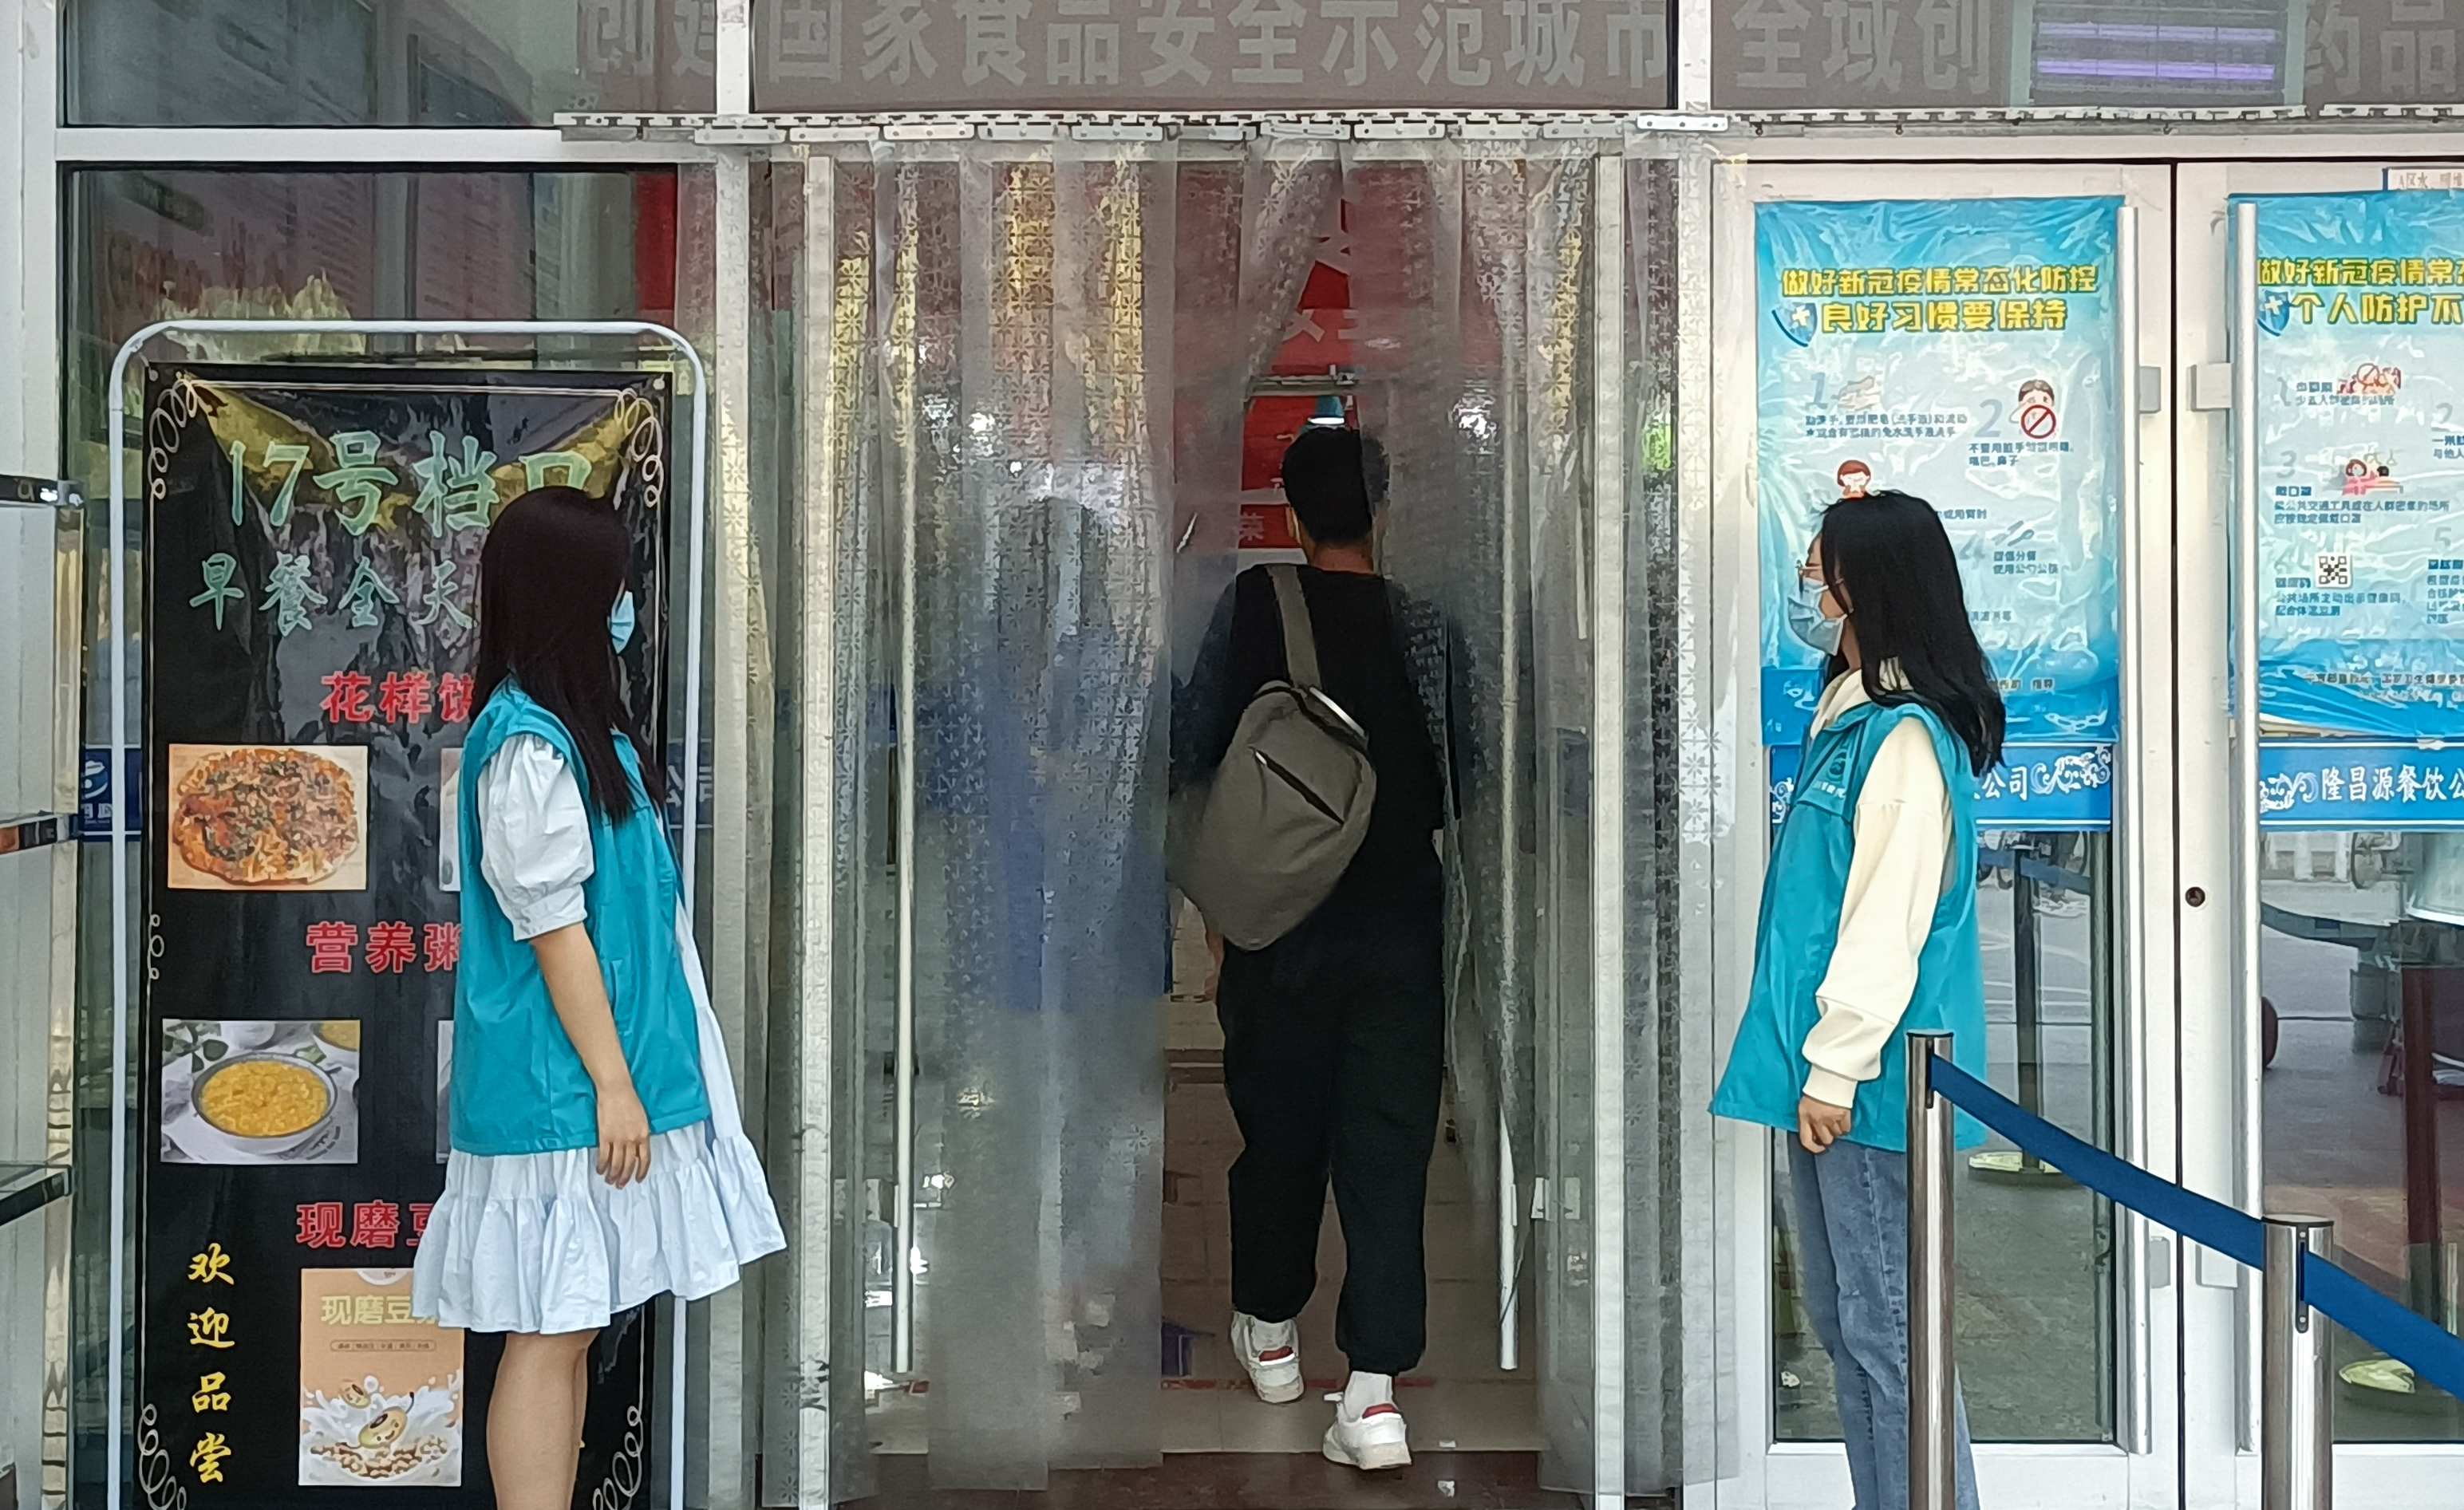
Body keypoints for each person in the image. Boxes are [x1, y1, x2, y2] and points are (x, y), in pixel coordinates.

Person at [410, 487, 784, 1510]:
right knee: (551, 1327)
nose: (629, 605)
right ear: (575, 599)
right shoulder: (530, 746)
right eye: (616, 586)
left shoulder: (580, 734)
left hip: (600, 1078)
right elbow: (553, 931)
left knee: (571, 1321)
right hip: (561, 1089)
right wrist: (614, 1085)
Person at [1172, 427, 1457, 1473]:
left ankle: (1272, 1333)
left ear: (1291, 517)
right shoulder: (1426, 628)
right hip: (1399, 927)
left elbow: (1196, 750)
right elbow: (1465, 779)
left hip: (1279, 928)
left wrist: (1217, 912)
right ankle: (1374, 1398)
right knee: (1387, 1149)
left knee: (1279, 1129)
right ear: (1384, 511)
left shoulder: (1257, 606)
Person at [1713, 489, 1999, 1510]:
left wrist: (1834, 1066)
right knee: (1855, 1329)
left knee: (1888, 1339)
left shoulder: (1904, 740)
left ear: (1862, 585)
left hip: (1869, 1088)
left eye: (1818, 571)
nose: (1808, 589)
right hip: (1832, 1079)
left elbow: (1886, 920)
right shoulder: (1852, 719)